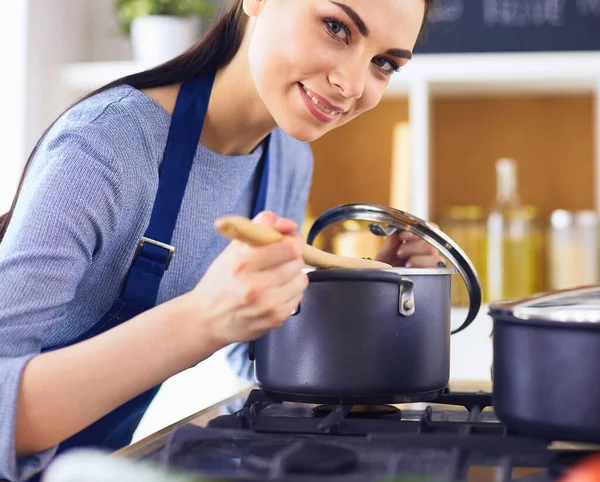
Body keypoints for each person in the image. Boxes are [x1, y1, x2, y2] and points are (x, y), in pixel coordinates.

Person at [0, 0, 441, 480]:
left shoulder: (286, 156)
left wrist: (360, 295)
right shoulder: (105, 148)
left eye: (384, 64)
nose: (352, 84)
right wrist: (198, 321)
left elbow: (252, 356)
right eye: (336, 27)